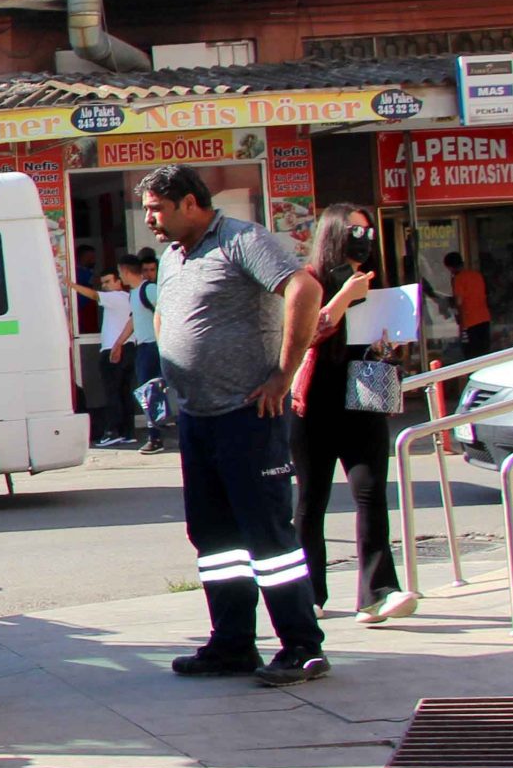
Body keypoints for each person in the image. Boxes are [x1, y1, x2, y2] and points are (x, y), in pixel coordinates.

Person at [140, 165, 327, 684]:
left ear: (190, 204)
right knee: (215, 539)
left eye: (157, 208)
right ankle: (232, 645)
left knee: (267, 535)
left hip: (249, 415)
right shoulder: (172, 257)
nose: (150, 219)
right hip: (198, 419)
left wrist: (282, 377)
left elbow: (304, 290)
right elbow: (165, 318)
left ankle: (302, 646)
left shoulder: (242, 240)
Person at [290, 204, 404, 621]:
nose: (364, 239)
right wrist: (344, 297)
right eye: (355, 230)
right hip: (315, 403)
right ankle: (309, 593)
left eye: (369, 231)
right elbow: (306, 332)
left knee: (371, 492)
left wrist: (391, 342)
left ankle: (378, 592)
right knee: (311, 499)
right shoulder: (311, 279)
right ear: (335, 233)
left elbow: (384, 343)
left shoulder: (374, 282)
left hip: (366, 395)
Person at [70, 268, 138, 445]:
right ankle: (127, 432)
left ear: (118, 281)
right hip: (129, 348)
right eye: (103, 283)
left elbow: (94, 295)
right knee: (124, 392)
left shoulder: (115, 297)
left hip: (113, 350)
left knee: (112, 393)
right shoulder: (128, 298)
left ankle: (113, 431)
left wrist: (71, 285)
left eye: (108, 281)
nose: (105, 286)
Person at [131, 250, 167, 452]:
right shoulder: (136, 293)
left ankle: (156, 437)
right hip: (144, 346)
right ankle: (155, 436)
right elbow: (133, 320)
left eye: (152, 269)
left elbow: (166, 312)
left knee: (154, 393)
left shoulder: (151, 290)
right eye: (145, 270)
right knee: (149, 393)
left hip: (156, 346)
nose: (148, 273)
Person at [448, 252, 492, 358]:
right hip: (484, 317)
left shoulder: (459, 279)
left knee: (471, 353)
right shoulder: (477, 275)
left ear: (450, 268)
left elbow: (459, 301)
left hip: (470, 321)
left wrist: (450, 303)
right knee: (484, 351)